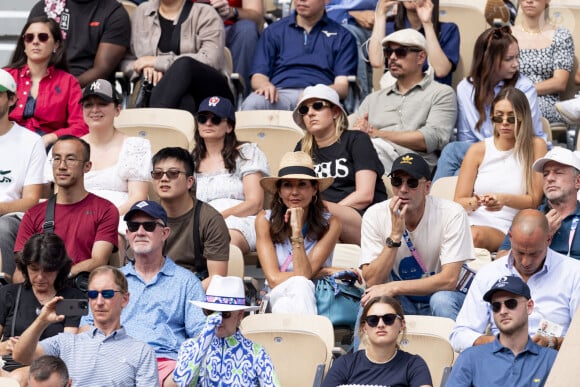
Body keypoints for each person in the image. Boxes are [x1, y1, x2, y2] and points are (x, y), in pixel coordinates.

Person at [82, 200, 206, 387]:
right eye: (133, 226)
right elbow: (86, 328)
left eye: (148, 226)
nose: (140, 232)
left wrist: (185, 367)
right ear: (128, 234)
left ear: (165, 233)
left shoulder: (187, 282)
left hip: (164, 364)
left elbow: (201, 335)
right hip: (115, 359)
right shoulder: (112, 279)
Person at [360, 153, 474, 320]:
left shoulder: (452, 213)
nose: (403, 189)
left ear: (427, 187)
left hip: (444, 295)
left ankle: (457, 346)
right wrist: (394, 237)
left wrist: (394, 287)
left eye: (412, 183)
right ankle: (362, 347)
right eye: (397, 182)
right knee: (373, 299)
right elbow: (372, 280)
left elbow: (449, 280)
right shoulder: (374, 214)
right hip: (403, 301)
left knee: (441, 300)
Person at [450, 209, 580, 353]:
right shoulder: (489, 274)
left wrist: (553, 342)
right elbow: (459, 335)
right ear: (510, 238)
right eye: (520, 252)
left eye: (534, 253)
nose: (526, 262)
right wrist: (498, 342)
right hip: (501, 360)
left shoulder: (573, 273)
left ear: (548, 240)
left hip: (554, 363)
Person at [12, 265, 159, 386]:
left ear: (125, 299)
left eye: (107, 294)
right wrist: (42, 321)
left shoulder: (142, 352)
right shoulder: (67, 342)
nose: (99, 302)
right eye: (93, 295)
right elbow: (21, 356)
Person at [433, 26, 546, 181]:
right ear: (488, 60)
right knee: (457, 168)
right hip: (480, 153)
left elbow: (526, 135)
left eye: (516, 57)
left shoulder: (524, 87)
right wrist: (476, 161)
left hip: (516, 152)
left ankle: (433, 202)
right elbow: (466, 138)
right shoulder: (465, 88)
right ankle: (436, 200)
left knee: (455, 162)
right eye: (508, 59)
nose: (516, 64)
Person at [13, 135, 119, 284]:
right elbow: (19, 273)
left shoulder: (105, 209)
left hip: (80, 293)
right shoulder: (33, 214)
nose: (62, 166)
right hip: (40, 293)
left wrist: (58, 276)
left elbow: (98, 261)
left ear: (87, 166)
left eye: (70, 159)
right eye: (56, 158)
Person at [454, 87, 546, 252]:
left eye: (511, 117)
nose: (504, 122)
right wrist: (475, 202)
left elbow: (534, 200)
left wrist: (502, 199)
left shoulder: (535, 146)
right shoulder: (477, 150)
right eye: (499, 116)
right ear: (492, 117)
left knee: (474, 236)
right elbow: (459, 200)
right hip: (471, 219)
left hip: (507, 224)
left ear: (523, 117)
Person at [353, 28, 457, 173]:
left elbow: (432, 139)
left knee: (367, 151)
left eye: (400, 52)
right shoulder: (373, 99)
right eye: (388, 52)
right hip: (372, 157)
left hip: (413, 164)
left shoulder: (441, 93)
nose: (392, 58)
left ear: (421, 57)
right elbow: (353, 134)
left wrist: (377, 134)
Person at [294, 84, 387, 245]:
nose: (310, 113)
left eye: (317, 106)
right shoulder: (302, 148)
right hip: (317, 221)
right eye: (304, 110)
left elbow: (365, 195)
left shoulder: (356, 140)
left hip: (361, 219)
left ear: (335, 112)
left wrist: (322, 212)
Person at [256, 151, 342, 314]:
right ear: (279, 191)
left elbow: (302, 276)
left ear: (314, 189)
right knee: (299, 286)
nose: (294, 192)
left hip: (316, 296)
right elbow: (274, 279)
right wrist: (322, 271)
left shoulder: (331, 223)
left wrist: (296, 230)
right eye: (287, 185)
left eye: (302, 184)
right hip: (278, 292)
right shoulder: (264, 220)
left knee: (291, 299)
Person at [121, 0, 234, 115]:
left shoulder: (205, 13)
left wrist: (157, 62)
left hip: (207, 92)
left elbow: (211, 59)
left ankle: (155, 122)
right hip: (161, 91)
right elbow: (125, 60)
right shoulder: (141, 12)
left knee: (184, 64)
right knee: (184, 102)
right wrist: (143, 68)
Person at [240, 0, 357, 111]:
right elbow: (258, 76)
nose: (301, 0)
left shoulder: (343, 36)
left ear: (326, 0)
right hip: (278, 95)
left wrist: (318, 94)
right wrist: (264, 84)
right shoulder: (273, 31)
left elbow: (342, 86)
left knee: (324, 110)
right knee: (252, 104)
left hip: (320, 96)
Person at [446, 276, 557, 387]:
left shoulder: (551, 359)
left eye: (511, 303)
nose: (502, 311)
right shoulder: (470, 357)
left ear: (529, 306)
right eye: (496, 306)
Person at [193, 96, 269, 254]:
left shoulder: (247, 153)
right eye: (202, 118)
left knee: (223, 244)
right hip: (199, 223)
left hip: (239, 221)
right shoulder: (190, 160)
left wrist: (217, 218)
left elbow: (255, 203)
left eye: (215, 119)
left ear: (228, 127)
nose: (208, 123)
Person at [0, 234, 85, 375]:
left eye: (48, 270)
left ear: (59, 268)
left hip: (50, 370)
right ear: (25, 266)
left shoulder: (73, 299)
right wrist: (7, 346)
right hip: (6, 366)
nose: (40, 277)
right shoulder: (8, 294)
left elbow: (69, 350)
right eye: (34, 268)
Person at [173, 275, 280, 386]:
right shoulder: (189, 347)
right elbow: (182, 383)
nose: (217, 320)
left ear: (240, 315)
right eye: (210, 312)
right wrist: (204, 341)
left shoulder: (257, 352)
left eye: (225, 314)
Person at [79, 79, 151, 241]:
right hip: (77, 219)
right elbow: (61, 196)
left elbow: (138, 196)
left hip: (119, 219)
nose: (95, 110)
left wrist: (103, 218)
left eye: (102, 103)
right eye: (88, 104)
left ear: (118, 109)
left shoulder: (136, 146)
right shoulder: (71, 147)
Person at [152, 147, 230, 290]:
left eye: (173, 173)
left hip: (194, 294)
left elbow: (216, 278)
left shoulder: (210, 219)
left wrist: (176, 298)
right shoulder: (145, 216)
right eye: (157, 173)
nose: (164, 178)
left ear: (190, 182)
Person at [4, 17, 87, 148]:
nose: (35, 42)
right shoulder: (6, 76)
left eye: (42, 37)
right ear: (24, 45)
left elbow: (81, 126)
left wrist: (52, 137)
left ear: (56, 45)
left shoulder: (69, 82)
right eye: (29, 37)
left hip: (49, 150)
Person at [322, 296, 432, 387]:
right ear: (364, 327)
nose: (380, 325)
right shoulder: (344, 364)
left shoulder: (414, 364)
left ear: (402, 324)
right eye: (373, 320)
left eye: (388, 318)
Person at [0, 69, 46, 281]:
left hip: (11, 217)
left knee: (3, 226)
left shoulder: (31, 141)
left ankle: (5, 292)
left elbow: (31, 201)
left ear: (12, 99)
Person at [497, 147, 580, 259]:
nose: (549, 178)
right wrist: (540, 237)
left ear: (577, 181)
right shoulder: (527, 218)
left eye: (558, 172)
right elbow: (500, 260)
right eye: (545, 174)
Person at [28, 0, 131, 87]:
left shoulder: (114, 12)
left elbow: (102, 70)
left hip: (88, 89)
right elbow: (26, 54)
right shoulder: (46, 7)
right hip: (43, 83)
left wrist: (64, 89)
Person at [368, 0, 460, 86]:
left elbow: (441, 71)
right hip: (397, 94)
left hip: (432, 95)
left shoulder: (448, 29)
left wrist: (427, 24)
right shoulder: (389, 27)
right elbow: (376, 62)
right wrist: (380, 15)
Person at [511, 0, 574, 124]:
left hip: (543, 103)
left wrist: (524, 91)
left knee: (520, 108)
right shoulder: (506, 35)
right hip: (509, 98)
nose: (529, 1)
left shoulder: (561, 36)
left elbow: (560, 82)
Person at [208, 0, 264, 97]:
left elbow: (258, 19)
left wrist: (232, 11)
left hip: (233, 30)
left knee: (247, 29)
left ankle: (241, 97)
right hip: (193, 27)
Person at [325, 0, 377, 99]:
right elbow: (310, 10)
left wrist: (380, 15)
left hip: (382, 22)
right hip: (338, 22)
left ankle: (361, 104)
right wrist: (349, 14)